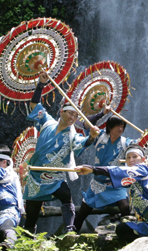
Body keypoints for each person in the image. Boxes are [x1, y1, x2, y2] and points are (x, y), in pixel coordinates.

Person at [23, 72, 100, 234]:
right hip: (36, 175)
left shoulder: (73, 134)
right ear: (62, 112)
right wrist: (40, 85)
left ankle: (70, 230)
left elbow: (82, 143)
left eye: (76, 115)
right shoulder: (47, 122)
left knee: (66, 195)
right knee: (31, 214)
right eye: (70, 113)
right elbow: (34, 104)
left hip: (55, 176)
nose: (73, 117)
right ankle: (28, 238)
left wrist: (91, 137)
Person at [75, 144, 148, 242]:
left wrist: (93, 169)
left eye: (135, 157)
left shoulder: (143, 170)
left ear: (143, 159)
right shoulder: (133, 180)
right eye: (128, 158)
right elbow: (122, 178)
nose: (131, 160)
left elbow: (122, 171)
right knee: (121, 229)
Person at [73, 105, 135, 233]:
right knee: (83, 212)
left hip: (116, 185)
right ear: (110, 127)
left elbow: (139, 147)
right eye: (118, 125)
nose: (120, 128)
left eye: (122, 126)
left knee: (125, 208)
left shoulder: (126, 142)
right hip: (98, 184)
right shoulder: (99, 136)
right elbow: (86, 124)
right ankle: (70, 234)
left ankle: (127, 233)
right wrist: (102, 113)